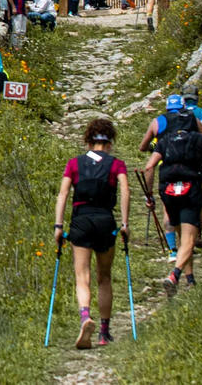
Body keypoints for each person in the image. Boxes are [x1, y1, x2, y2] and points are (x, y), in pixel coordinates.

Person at [54, 118, 131, 348]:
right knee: (104, 277)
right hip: (105, 221)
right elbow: (125, 190)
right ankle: (104, 333)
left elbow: (63, 194)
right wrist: (125, 224)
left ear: (88, 141)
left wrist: (58, 226)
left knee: (82, 276)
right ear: (110, 142)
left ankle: (85, 316)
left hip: (81, 221)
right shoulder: (117, 164)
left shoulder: (74, 163)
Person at [143, 102, 202, 292]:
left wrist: (149, 195)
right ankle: (174, 275)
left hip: (169, 192)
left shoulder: (164, 141)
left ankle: (190, 279)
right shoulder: (199, 140)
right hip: (191, 190)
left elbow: (149, 167)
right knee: (189, 239)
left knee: (182, 237)